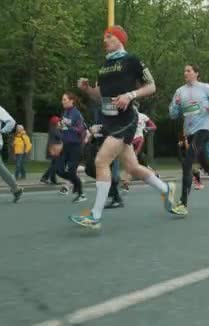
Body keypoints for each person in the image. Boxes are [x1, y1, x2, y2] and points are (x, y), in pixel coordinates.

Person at [71, 25, 177, 229]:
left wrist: (130, 95)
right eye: (104, 37)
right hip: (110, 121)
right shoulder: (104, 66)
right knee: (132, 167)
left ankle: (95, 216)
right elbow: (100, 96)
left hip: (127, 119)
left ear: (119, 39)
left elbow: (151, 86)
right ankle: (166, 188)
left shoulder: (132, 60)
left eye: (109, 37)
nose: (105, 40)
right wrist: (87, 89)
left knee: (101, 160)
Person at [169, 64, 209, 215]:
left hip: (205, 129)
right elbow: (173, 114)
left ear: (197, 73)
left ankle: (183, 203)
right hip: (191, 132)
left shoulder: (205, 88)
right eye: (184, 70)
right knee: (206, 165)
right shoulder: (180, 91)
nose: (185, 73)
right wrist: (175, 106)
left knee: (187, 162)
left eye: (189, 70)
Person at [56, 92, 87, 203]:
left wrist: (69, 126)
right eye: (62, 99)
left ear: (71, 100)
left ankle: (81, 194)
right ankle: (77, 182)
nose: (62, 101)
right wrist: (60, 127)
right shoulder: (65, 112)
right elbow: (64, 128)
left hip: (76, 146)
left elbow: (81, 130)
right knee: (58, 170)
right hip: (66, 145)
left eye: (65, 99)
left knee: (72, 172)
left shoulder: (76, 114)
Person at [121, 111, 157, 192]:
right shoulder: (124, 116)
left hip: (138, 140)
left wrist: (146, 128)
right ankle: (154, 175)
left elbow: (154, 127)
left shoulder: (143, 116)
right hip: (129, 141)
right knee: (138, 161)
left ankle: (125, 183)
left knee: (130, 161)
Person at [40, 116, 62, 185]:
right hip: (54, 147)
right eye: (58, 121)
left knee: (54, 164)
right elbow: (60, 136)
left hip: (54, 147)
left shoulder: (53, 128)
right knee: (55, 164)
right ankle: (45, 177)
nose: (60, 123)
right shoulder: (54, 129)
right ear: (55, 122)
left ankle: (53, 180)